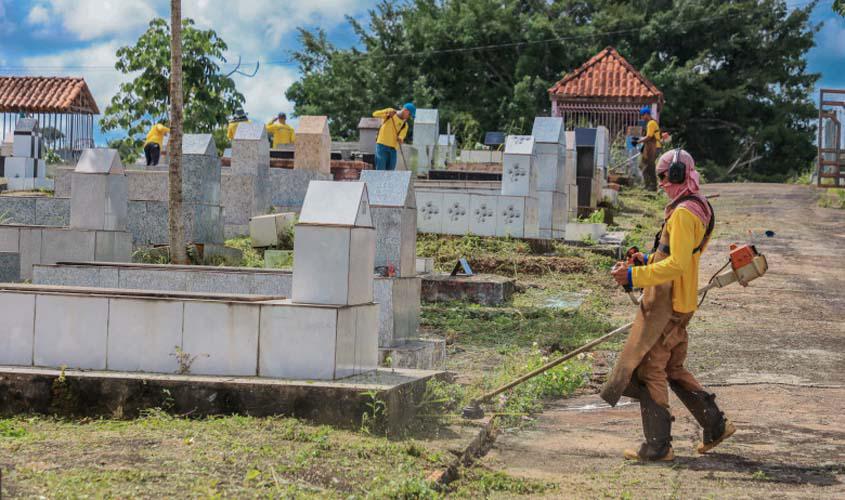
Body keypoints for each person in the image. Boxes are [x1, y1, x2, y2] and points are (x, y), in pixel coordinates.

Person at [604, 149, 734, 462]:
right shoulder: (698, 205)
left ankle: (657, 447)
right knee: (672, 368)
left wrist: (634, 275)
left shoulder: (685, 213)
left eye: (664, 176)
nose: (661, 182)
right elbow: (677, 254)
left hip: (669, 304)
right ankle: (716, 426)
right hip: (681, 300)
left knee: (650, 368)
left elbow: (676, 264)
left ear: (678, 174)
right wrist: (647, 259)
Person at [372, 102, 416, 171]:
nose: (409, 117)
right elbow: (375, 114)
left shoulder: (405, 125)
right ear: (405, 110)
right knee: (380, 170)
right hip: (381, 146)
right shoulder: (390, 112)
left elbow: (402, 136)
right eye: (409, 114)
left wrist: (400, 139)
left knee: (391, 172)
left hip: (393, 149)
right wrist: (386, 112)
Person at [637, 106, 662, 191]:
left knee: (649, 166)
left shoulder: (651, 123)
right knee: (643, 165)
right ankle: (648, 185)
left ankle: (652, 186)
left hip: (654, 147)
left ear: (647, 114)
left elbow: (649, 137)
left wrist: (638, 141)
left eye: (642, 115)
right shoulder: (651, 123)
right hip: (650, 147)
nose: (642, 117)